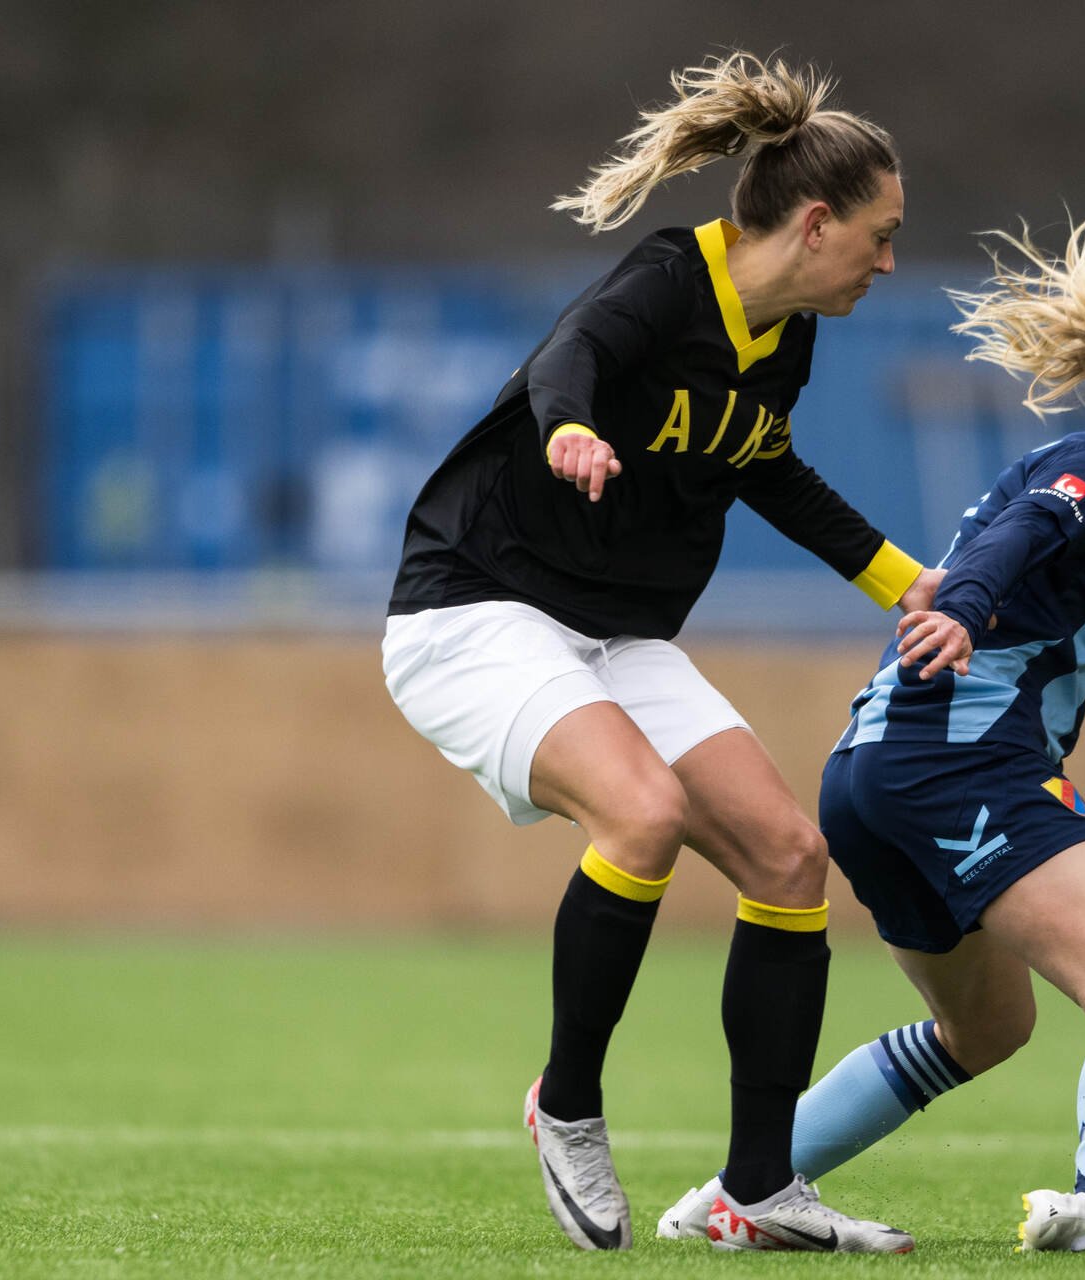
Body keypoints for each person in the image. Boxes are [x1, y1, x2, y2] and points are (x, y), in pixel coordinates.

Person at [381, 52, 953, 1255]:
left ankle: (759, 1186)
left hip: (611, 633)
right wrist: (574, 426)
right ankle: (568, 1102)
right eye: (881, 235)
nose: (889, 262)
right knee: (638, 814)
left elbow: (769, 472)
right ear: (814, 223)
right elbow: (567, 359)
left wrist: (912, 586)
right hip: (473, 609)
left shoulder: (785, 339)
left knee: (792, 857)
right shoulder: (665, 279)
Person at [656, 208, 1085, 1250]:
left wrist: (968, 603)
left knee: (988, 1026)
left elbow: (1026, 529)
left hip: (870, 774)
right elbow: (1028, 535)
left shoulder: (1081, 462)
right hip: (960, 765)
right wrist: (963, 606)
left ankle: (737, 1190)